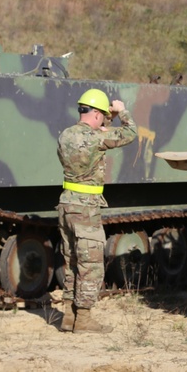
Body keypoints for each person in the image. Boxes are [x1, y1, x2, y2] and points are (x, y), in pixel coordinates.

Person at [57, 88, 137, 334]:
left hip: (66, 203)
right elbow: (130, 133)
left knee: (71, 261)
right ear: (96, 113)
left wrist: (105, 120)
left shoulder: (65, 135)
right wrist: (122, 112)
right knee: (90, 264)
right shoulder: (95, 138)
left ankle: (68, 316)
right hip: (86, 207)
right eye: (102, 114)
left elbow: (97, 131)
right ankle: (84, 319)